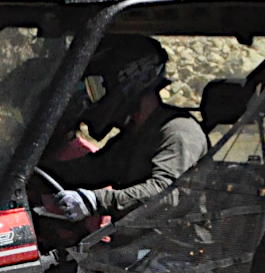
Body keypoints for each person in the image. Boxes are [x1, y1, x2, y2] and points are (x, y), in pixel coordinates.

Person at [51, 35, 208, 222]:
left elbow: (166, 193)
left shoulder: (179, 132)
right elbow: (95, 169)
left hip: (174, 246)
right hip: (137, 245)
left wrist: (96, 200)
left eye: (100, 88)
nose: (94, 100)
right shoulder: (133, 135)